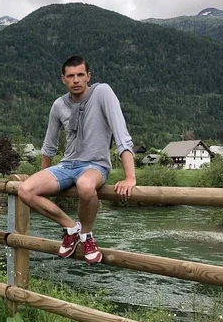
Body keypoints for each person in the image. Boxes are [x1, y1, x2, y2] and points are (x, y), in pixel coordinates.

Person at [18, 56, 136, 264]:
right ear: (63, 79)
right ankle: (71, 228)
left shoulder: (102, 92)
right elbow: (49, 146)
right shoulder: (58, 105)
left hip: (95, 165)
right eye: (70, 76)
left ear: (88, 76)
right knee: (25, 190)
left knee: (85, 185)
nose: (76, 80)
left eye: (80, 75)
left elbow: (121, 134)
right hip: (66, 165)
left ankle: (87, 235)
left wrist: (130, 177)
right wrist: (42, 175)